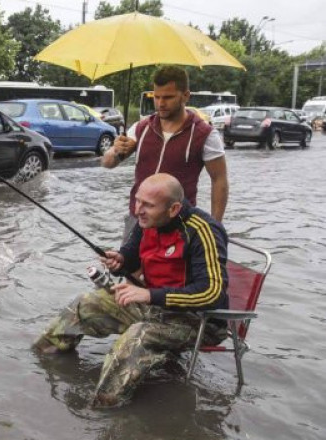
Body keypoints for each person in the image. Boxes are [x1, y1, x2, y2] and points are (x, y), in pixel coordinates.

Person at [33, 173, 229, 407]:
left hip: (198, 320)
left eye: (148, 205)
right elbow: (132, 254)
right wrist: (121, 260)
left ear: (174, 209)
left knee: (137, 336)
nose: (138, 210)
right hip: (153, 305)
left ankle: (105, 407)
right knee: (86, 303)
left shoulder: (204, 230)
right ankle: (39, 365)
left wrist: (149, 295)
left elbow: (212, 292)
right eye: (137, 201)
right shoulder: (148, 221)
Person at [101, 66, 229, 238]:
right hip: (138, 220)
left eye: (168, 97)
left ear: (186, 95)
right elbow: (107, 163)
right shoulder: (141, 128)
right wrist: (116, 151)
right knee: (125, 257)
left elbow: (219, 180)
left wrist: (215, 227)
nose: (160, 103)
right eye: (157, 97)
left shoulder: (204, 134)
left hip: (178, 225)